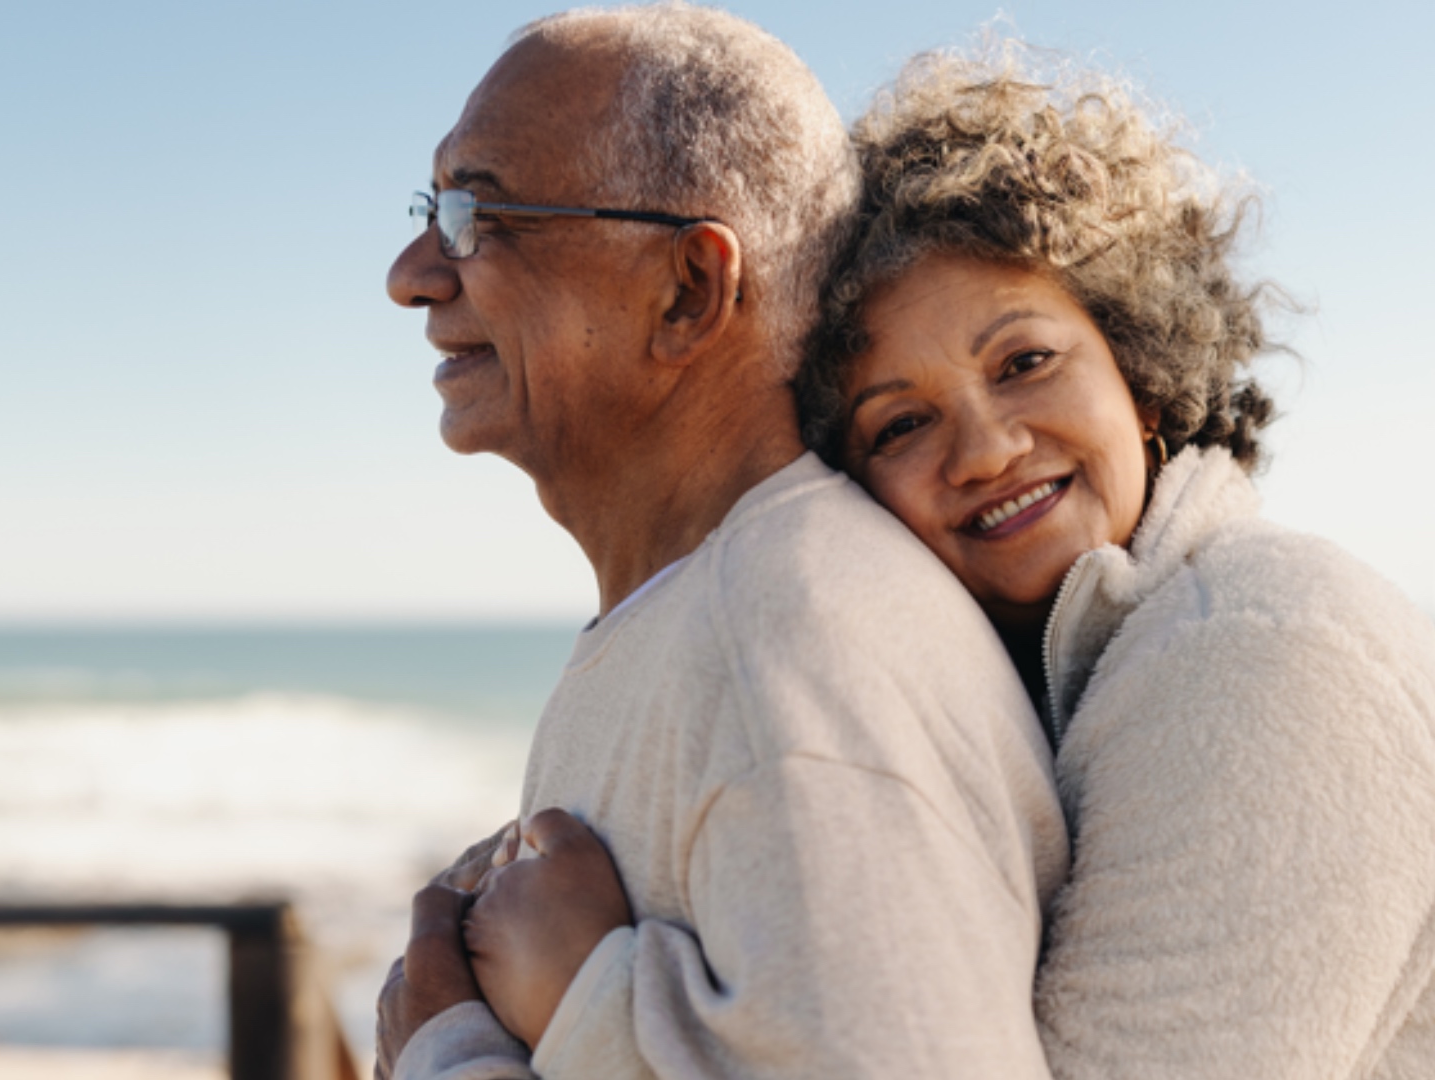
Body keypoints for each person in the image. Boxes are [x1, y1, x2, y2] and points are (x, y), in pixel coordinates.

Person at [470, 43, 1435, 1079]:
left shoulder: (1257, 658)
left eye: (1026, 363)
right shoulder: (1083, 670)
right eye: (901, 425)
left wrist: (586, 1001)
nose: (983, 450)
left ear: (1143, 377)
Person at [376, 7, 1068, 1079]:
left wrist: (448, 1053)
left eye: (480, 211)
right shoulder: (721, 609)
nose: (413, 271)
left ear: (690, 290)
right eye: (434, 207)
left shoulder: (789, 644)